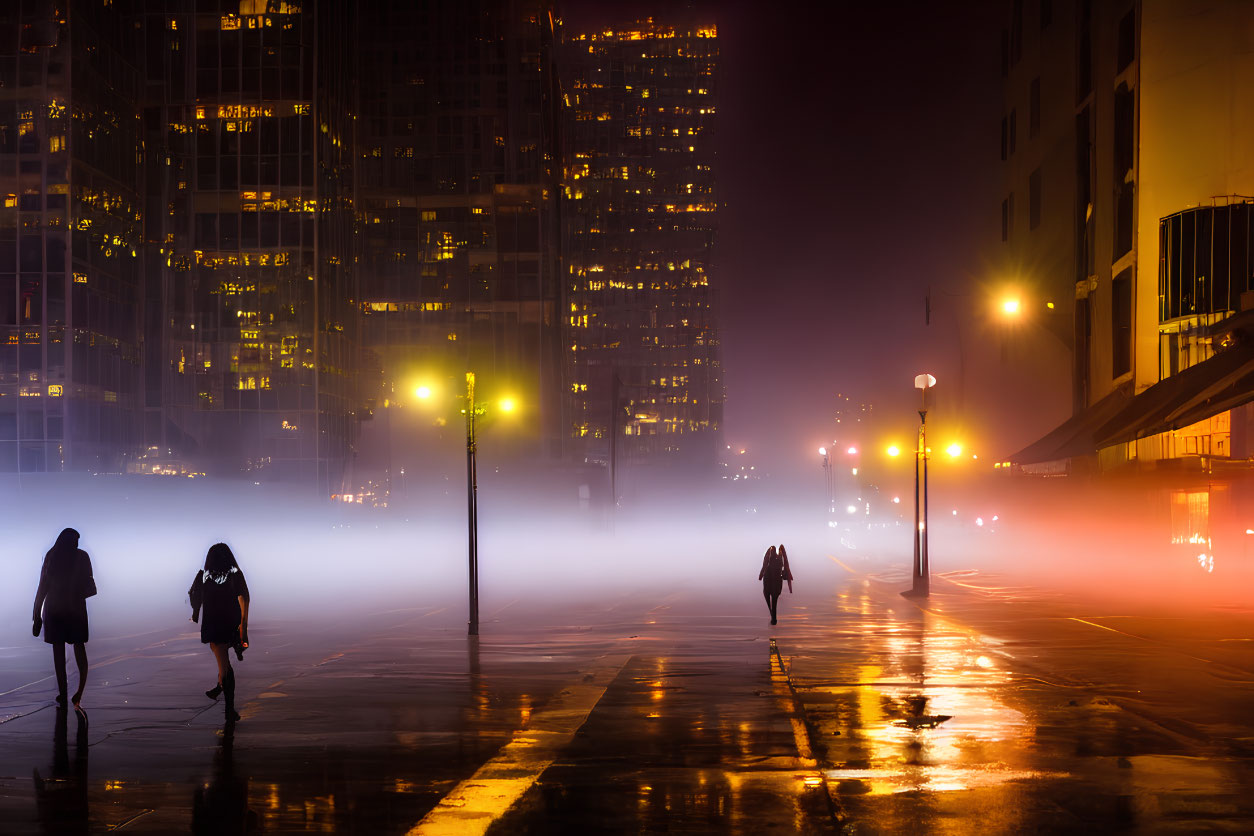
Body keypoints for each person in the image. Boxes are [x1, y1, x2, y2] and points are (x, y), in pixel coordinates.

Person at [32, 528, 96, 707]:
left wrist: (36, 615)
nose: (76, 544)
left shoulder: (52, 556)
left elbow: (42, 586)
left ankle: (64, 692)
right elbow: (90, 586)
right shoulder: (82, 556)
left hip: (55, 610)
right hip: (75, 609)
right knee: (78, 649)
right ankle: (78, 693)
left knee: (59, 653)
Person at [189, 543, 249, 723]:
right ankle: (219, 687)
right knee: (223, 662)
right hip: (230, 622)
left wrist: (195, 613)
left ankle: (228, 707)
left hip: (213, 624)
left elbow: (194, 595)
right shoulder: (236, 575)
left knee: (223, 664)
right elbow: (245, 597)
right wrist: (243, 629)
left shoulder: (203, 576)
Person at [757, 544, 793, 625]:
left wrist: (761, 575)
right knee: (772, 598)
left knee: (773, 598)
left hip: (774, 578)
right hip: (771, 578)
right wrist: (761, 574)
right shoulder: (773, 550)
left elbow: (765, 564)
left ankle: (773, 617)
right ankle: (773, 617)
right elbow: (786, 566)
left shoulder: (776, 551)